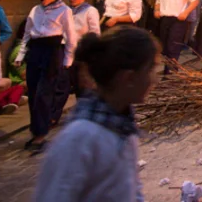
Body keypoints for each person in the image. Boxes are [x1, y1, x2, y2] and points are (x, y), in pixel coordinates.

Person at [32, 27, 158, 201]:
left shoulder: (122, 128)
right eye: (150, 70)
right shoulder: (80, 138)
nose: (154, 79)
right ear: (128, 78)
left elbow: (132, 189)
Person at [15, 0, 77, 151]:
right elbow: (27, 34)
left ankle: (41, 134)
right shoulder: (35, 10)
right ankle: (35, 131)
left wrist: (68, 59)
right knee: (33, 92)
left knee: (44, 93)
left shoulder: (64, 11)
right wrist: (21, 55)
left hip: (52, 52)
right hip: (36, 50)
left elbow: (71, 37)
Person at [153, 0, 199, 73]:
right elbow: (158, 2)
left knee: (173, 45)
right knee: (165, 45)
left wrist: (185, 12)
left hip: (178, 20)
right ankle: (167, 69)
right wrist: (156, 10)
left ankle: (172, 71)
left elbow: (195, 0)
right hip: (165, 19)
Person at [66, 0, 100, 96]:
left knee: (82, 85)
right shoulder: (66, 10)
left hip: (81, 52)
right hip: (67, 51)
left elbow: (95, 33)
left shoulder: (90, 11)